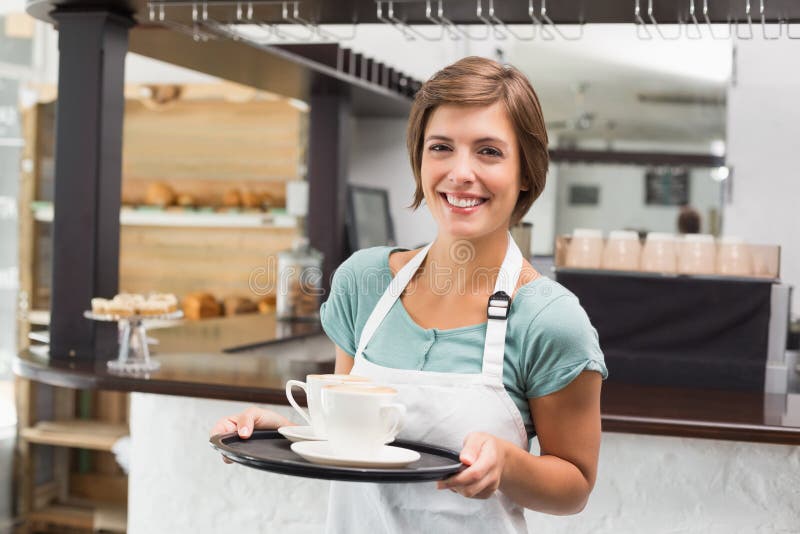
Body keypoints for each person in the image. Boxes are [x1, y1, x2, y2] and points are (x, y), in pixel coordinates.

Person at [211, 56, 608, 533]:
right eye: (441, 147)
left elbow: (576, 484)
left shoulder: (550, 320)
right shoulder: (364, 282)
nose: (460, 172)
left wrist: (508, 464)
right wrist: (279, 432)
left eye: (488, 151)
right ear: (419, 160)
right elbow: (351, 433)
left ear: (526, 171)